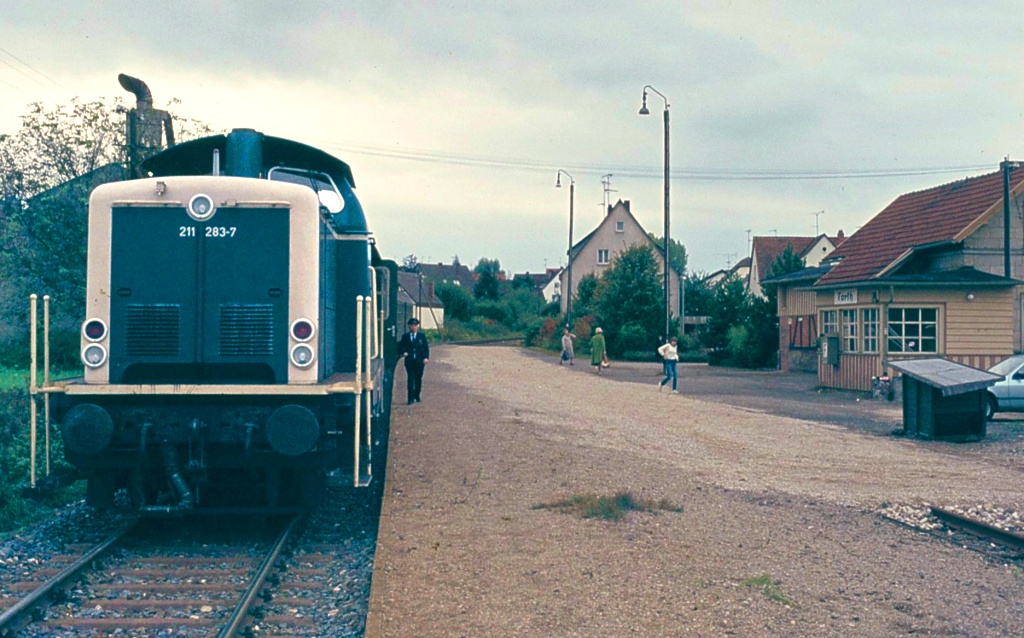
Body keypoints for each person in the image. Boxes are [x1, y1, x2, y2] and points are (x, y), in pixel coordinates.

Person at [397, 317, 430, 404]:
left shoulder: (421, 336)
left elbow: (426, 348)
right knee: (410, 379)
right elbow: (400, 347)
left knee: (418, 378)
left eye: (415, 325)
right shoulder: (405, 337)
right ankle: (410, 398)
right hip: (410, 361)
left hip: (419, 361)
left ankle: (417, 395)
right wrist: (403, 352)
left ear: (417, 326)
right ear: (409, 326)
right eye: (412, 325)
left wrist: (426, 357)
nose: (413, 327)